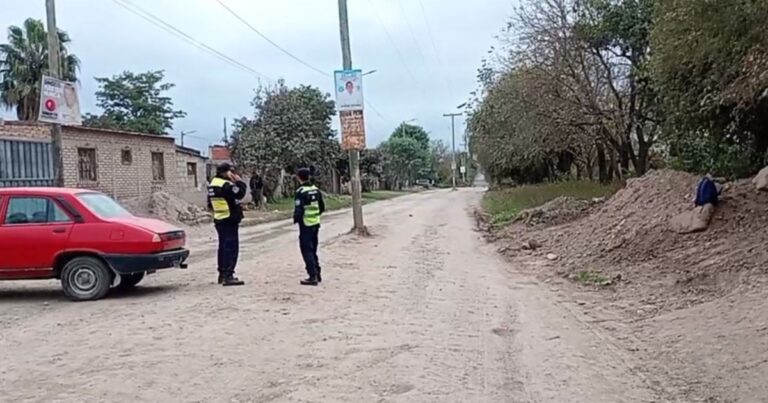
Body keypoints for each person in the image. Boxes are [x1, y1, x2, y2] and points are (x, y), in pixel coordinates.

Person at [208, 163, 247, 286]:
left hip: (219, 218)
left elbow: (209, 204)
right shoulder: (226, 185)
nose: (233, 174)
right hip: (229, 219)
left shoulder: (213, 184)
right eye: (231, 172)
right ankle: (228, 275)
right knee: (231, 248)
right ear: (226, 172)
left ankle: (222, 274)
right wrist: (240, 182)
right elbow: (239, 193)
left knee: (223, 247)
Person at [293, 168, 325, 286]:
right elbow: (322, 207)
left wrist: (296, 219)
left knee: (306, 250)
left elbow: (299, 209)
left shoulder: (300, 191)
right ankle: (317, 273)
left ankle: (312, 276)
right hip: (315, 223)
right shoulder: (316, 190)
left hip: (305, 224)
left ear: (298, 177)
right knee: (313, 249)